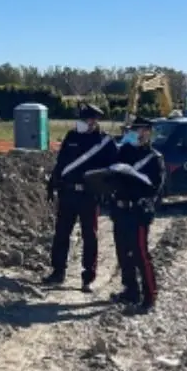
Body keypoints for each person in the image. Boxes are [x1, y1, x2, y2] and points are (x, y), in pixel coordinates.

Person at [43, 103, 118, 292]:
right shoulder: (71, 137)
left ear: (96, 121)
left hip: (88, 195)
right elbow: (61, 162)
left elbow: (112, 169)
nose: (88, 123)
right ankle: (58, 271)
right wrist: (52, 184)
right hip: (68, 192)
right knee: (61, 233)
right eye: (85, 119)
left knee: (89, 237)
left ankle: (88, 278)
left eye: (91, 120)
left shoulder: (104, 141)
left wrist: (106, 191)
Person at [107, 116, 166, 313]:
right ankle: (130, 289)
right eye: (136, 130)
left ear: (150, 133)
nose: (139, 134)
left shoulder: (155, 158)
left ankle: (150, 295)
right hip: (121, 209)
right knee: (123, 253)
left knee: (140, 254)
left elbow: (156, 187)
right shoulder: (123, 152)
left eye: (143, 130)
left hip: (139, 212)